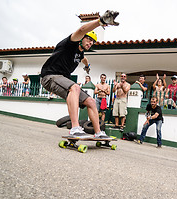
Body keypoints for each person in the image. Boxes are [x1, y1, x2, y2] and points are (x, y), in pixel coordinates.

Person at [40, 10, 119, 138]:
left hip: (61, 79)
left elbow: (84, 59)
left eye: (92, 42)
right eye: (88, 40)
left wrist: (87, 66)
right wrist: (101, 22)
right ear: (81, 39)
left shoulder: (81, 53)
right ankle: (75, 128)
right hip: (49, 76)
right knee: (75, 87)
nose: (90, 43)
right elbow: (82, 30)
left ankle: (98, 133)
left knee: (91, 101)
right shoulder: (70, 43)